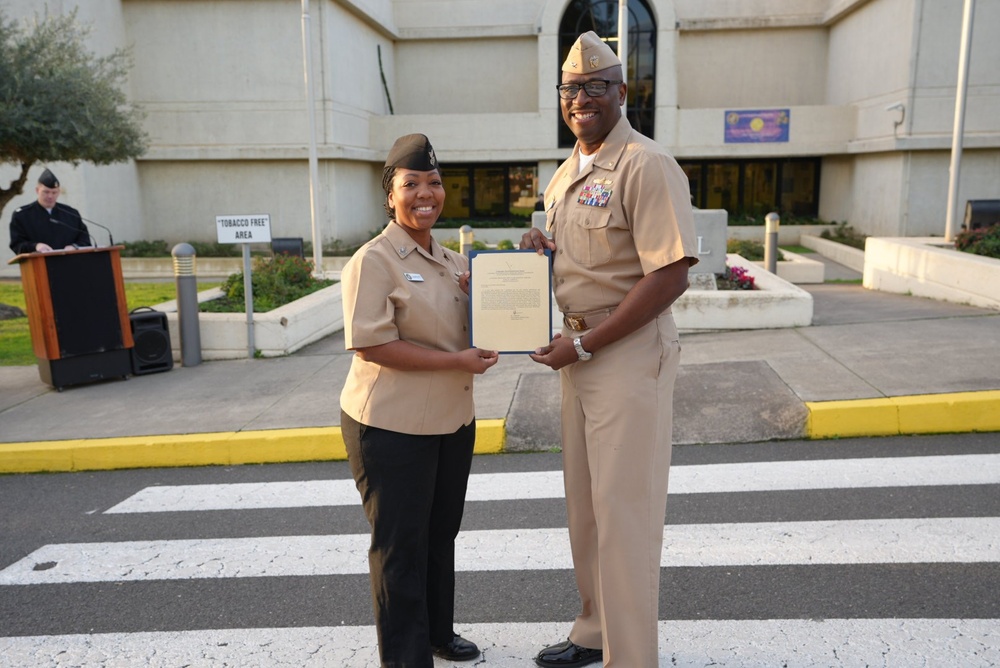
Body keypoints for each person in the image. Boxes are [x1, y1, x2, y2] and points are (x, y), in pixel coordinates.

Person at [520, 32, 699, 667]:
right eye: (571, 89)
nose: (582, 98)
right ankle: (595, 630)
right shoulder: (567, 173)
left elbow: (669, 274)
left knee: (625, 515)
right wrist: (542, 254)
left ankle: (632, 656)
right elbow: (587, 260)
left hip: (621, 352)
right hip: (580, 350)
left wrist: (587, 344)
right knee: (586, 510)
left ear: (623, 93)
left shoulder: (646, 164)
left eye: (596, 87)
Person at [339, 133, 499, 667]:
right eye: (412, 184)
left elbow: (469, 322)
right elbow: (371, 342)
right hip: (391, 426)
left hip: (451, 420)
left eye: (434, 182)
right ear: (390, 195)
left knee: (439, 534)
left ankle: (437, 632)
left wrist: (494, 299)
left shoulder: (452, 260)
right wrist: (457, 361)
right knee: (400, 546)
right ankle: (406, 658)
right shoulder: (374, 260)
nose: (425, 193)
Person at [9, 169, 90, 254]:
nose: (50, 196)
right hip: (38, 264)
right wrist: (36, 246)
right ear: (37, 190)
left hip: (70, 262)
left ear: (59, 192)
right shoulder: (22, 215)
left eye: (54, 192)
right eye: (46, 192)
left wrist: (74, 247)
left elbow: (85, 240)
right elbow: (17, 244)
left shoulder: (71, 214)